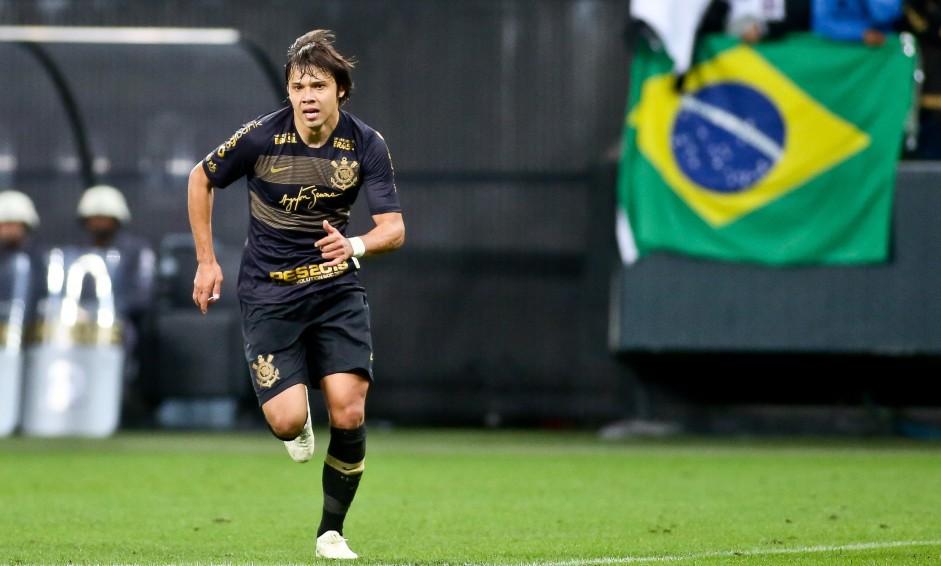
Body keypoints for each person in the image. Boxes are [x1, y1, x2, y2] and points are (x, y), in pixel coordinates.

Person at [187, 29, 405, 560]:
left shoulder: (366, 144)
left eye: (318, 86)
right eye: (298, 86)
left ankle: (331, 532)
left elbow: (393, 229)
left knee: (349, 411)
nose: (307, 96)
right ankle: (295, 417)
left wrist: (353, 243)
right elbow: (200, 177)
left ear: (341, 92)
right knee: (286, 420)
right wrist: (207, 260)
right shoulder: (262, 137)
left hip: (335, 291)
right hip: (269, 294)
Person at [76, 184, 157, 421]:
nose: (99, 221)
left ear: (118, 219)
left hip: (120, 321)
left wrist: (104, 312)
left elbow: (143, 295)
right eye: (94, 217)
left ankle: (118, 406)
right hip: (77, 321)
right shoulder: (79, 251)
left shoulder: (136, 250)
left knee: (124, 336)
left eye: (105, 217)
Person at [811, 0, 903, 45]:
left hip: (885, 53)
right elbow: (822, 23)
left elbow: (882, 15)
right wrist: (861, 34)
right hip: (843, 50)